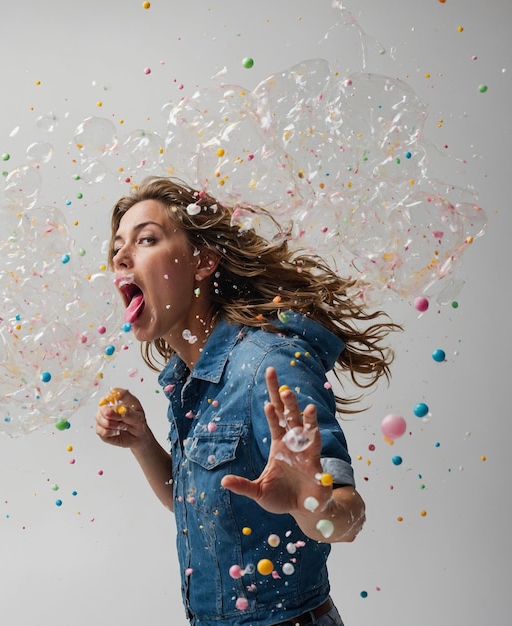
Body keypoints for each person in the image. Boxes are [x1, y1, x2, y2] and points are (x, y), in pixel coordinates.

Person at [95, 177, 398, 626]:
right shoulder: (187, 379)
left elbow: (348, 519)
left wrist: (310, 504)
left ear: (203, 261)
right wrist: (143, 443)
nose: (120, 256)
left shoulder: (269, 366)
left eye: (146, 239)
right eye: (118, 245)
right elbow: (193, 503)